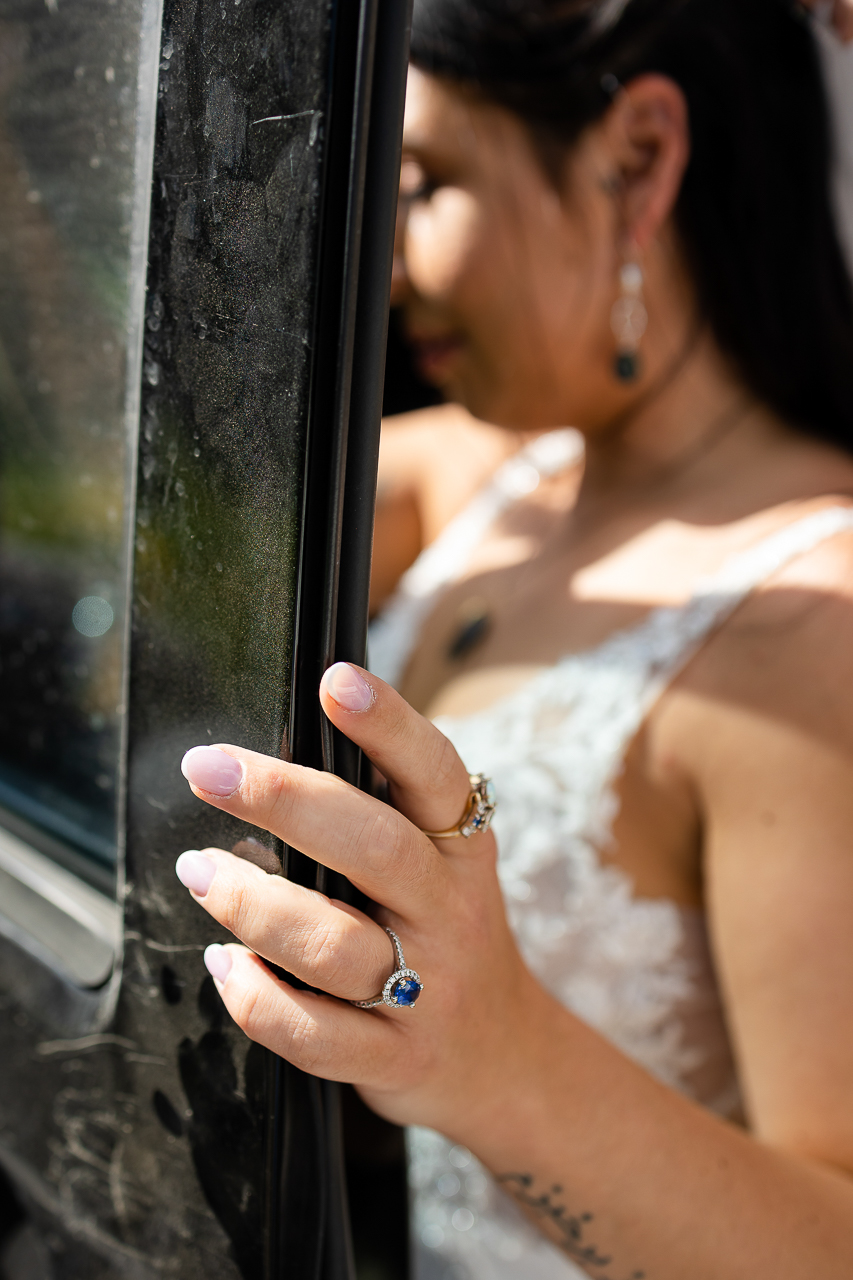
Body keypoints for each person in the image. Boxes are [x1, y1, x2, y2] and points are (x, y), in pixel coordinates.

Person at [174, 2, 853, 1276]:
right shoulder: (500, 473)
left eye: (423, 184)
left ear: (639, 157)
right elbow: (175, 499)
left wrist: (500, 1064)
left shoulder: (818, 624)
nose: (384, 265)